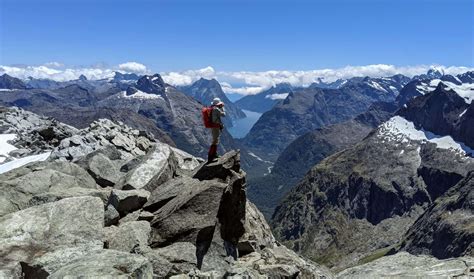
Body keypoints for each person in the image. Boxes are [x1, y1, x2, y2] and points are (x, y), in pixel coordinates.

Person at [208, 97, 226, 162]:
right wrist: (222, 108)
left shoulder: (212, 108)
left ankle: (214, 154)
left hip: (213, 126)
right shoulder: (216, 109)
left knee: (215, 140)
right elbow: (224, 115)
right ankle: (211, 156)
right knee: (215, 141)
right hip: (215, 127)